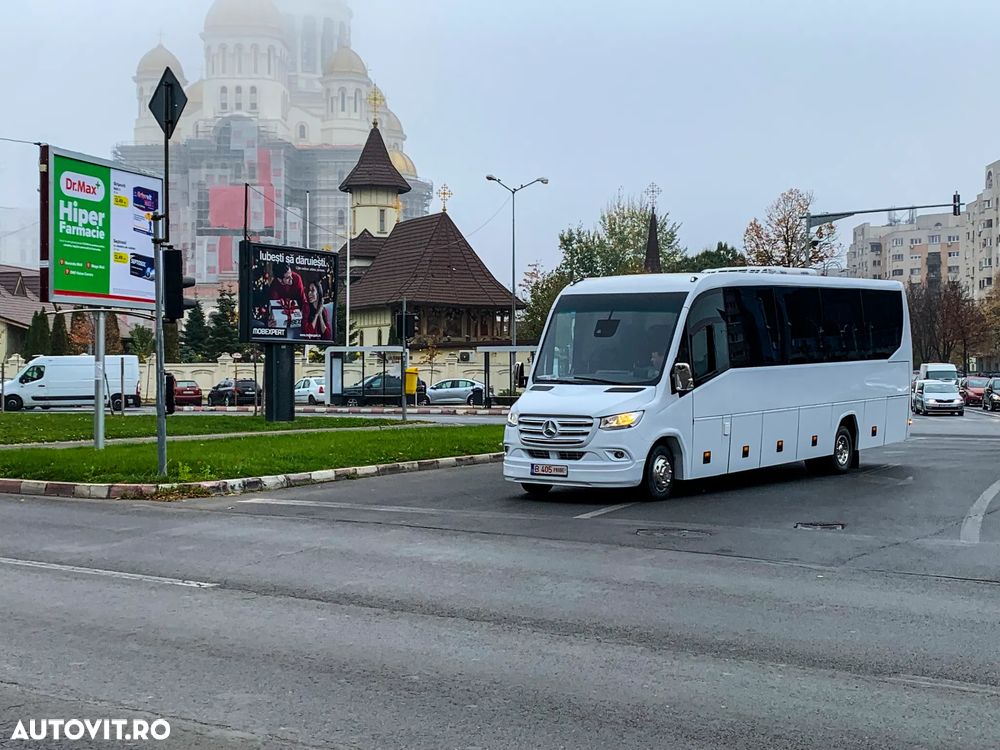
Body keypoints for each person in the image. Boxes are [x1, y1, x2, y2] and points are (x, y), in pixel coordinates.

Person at [268, 262, 307, 328]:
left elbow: (303, 301)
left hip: (298, 316)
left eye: (291, 274)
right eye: (287, 278)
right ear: (279, 279)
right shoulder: (274, 285)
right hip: (282, 321)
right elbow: (273, 308)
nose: (291, 278)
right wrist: (271, 321)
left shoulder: (297, 278)